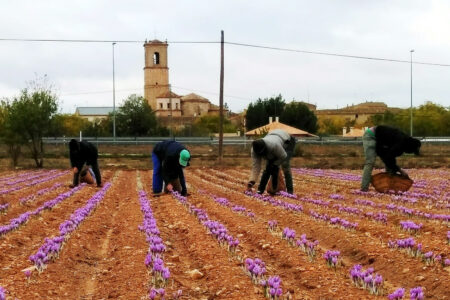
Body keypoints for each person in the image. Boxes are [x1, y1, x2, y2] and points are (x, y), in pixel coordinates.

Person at [360, 125, 421, 191]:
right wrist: (400, 170)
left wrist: (395, 169)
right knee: (370, 162)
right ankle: (364, 188)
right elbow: (386, 155)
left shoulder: (402, 143)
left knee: (389, 163)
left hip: (380, 140)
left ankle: (389, 186)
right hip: (371, 135)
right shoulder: (400, 142)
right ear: (410, 147)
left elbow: (390, 157)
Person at [247, 129, 296, 194]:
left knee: (285, 165)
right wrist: (251, 181)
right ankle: (260, 190)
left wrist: (275, 164)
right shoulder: (254, 150)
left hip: (287, 141)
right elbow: (256, 167)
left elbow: (283, 156)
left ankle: (290, 191)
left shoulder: (273, 145)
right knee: (268, 168)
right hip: (275, 138)